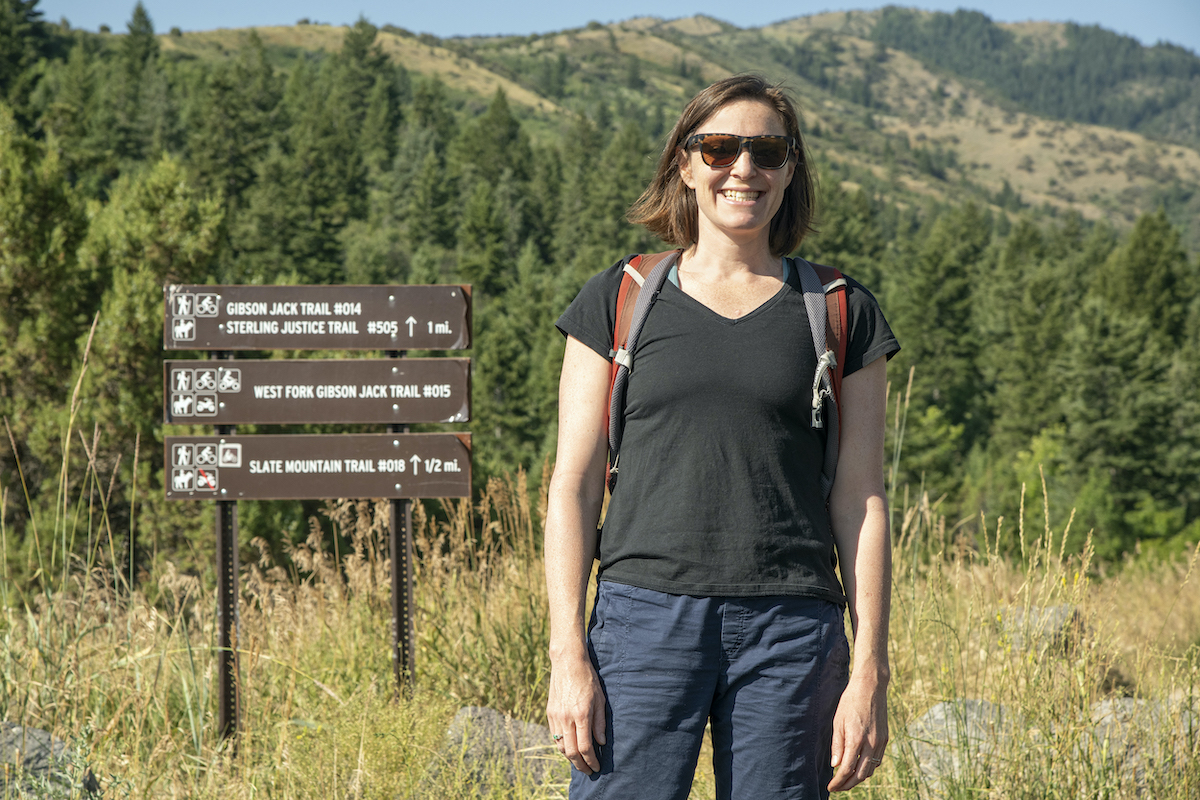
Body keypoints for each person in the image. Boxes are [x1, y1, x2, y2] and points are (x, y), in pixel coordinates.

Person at [544, 73, 898, 800]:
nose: (744, 169)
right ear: (685, 163)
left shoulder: (839, 311)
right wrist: (566, 654)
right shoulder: (618, 299)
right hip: (642, 620)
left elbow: (863, 501)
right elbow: (573, 485)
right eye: (719, 148)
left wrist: (870, 672)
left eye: (767, 151)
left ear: (791, 169)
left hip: (792, 630)